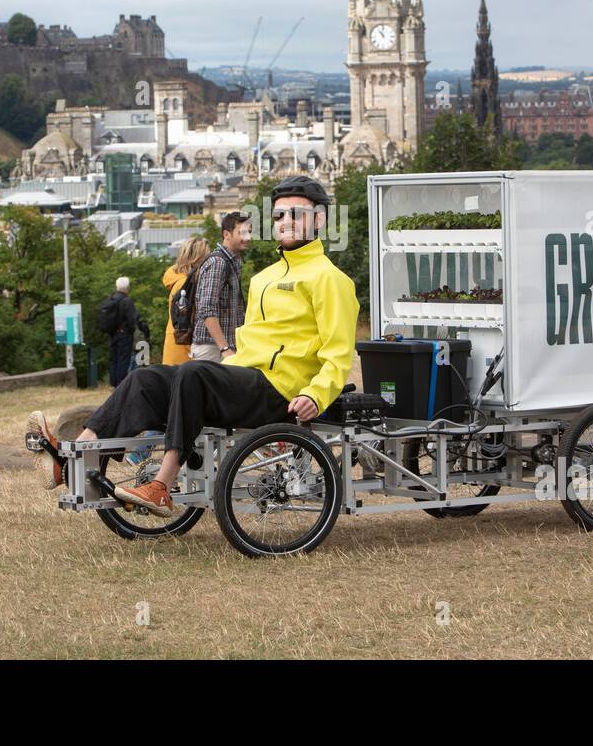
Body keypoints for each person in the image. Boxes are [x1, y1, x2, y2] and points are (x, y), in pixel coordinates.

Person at [30, 175, 359, 505]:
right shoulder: (263, 278)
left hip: (283, 390)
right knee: (145, 378)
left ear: (319, 219)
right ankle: (73, 458)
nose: (285, 221)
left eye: (296, 214)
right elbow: (252, 339)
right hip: (245, 379)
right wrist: (231, 362)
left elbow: (338, 354)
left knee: (194, 373)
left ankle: (161, 486)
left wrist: (315, 395)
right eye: (278, 215)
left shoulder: (331, 280)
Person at [189, 211, 251, 363]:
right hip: (212, 349)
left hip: (223, 347)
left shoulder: (233, 261)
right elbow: (206, 308)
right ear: (226, 234)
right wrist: (225, 348)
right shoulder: (218, 262)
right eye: (242, 233)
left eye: (249, 232)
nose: (248, 237)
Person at [161, 236, 211, 366]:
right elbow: (187, 320)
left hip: (175, 347)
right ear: (196, 258)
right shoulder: (186, 284)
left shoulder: (179, 280)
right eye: (207, 256)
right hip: (185, 351)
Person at [102, 277, 150, 387]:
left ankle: (113, 384)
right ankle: (121, 385)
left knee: (113, 359)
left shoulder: (110, 299)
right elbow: (132, 319)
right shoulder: (127, 301)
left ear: (116, 287)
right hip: (124, 335)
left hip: (112, 334)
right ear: (127, 288)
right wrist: (132, 330)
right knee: (123, 360)